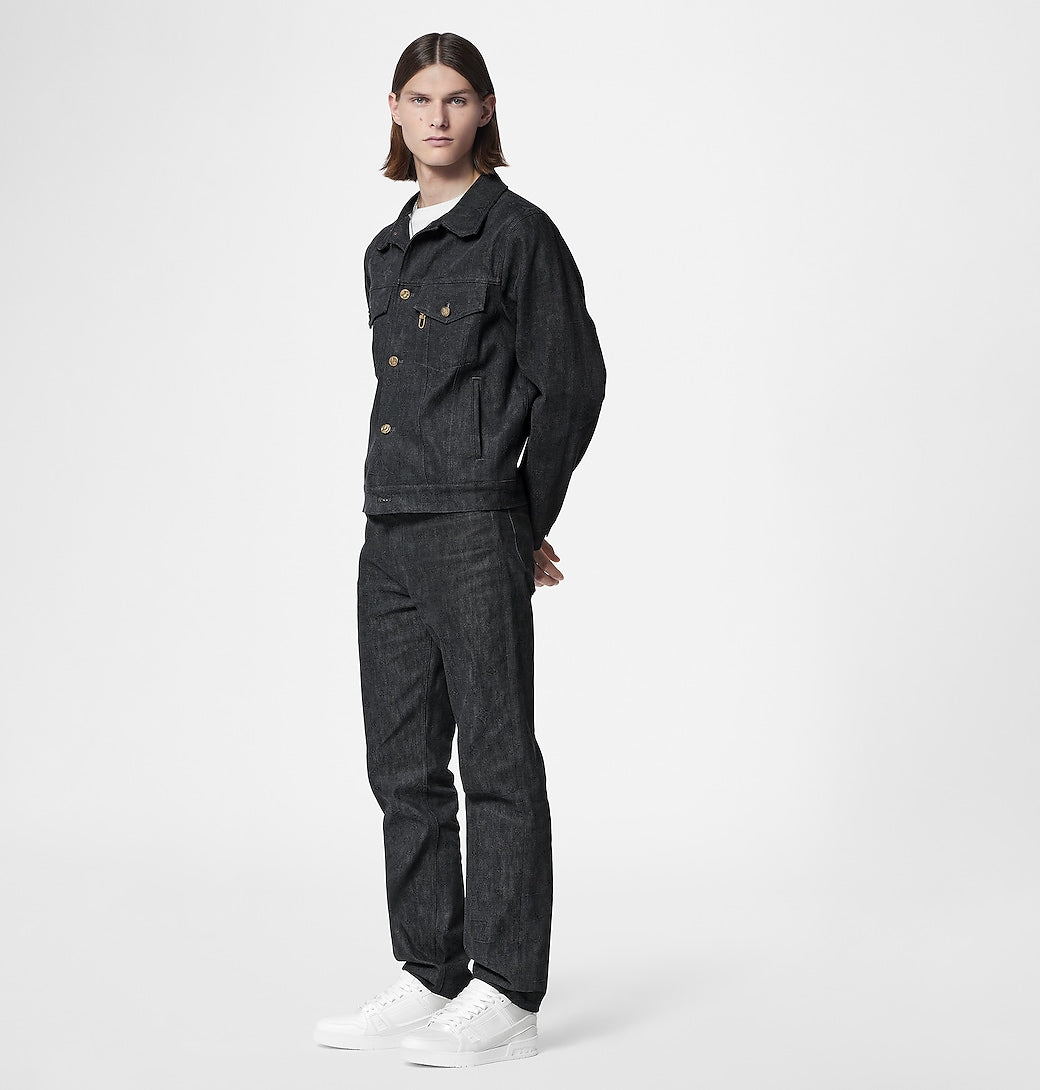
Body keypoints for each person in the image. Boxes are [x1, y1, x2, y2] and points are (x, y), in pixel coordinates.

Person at [313, 31, 606, 1068]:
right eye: (420, 98)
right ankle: (431, 967)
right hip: (387, 526)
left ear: (485, 111)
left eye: (458, 98)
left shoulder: (516, 235)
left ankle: (508, 992)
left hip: (473, 525)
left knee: (494, 756)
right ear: (395, 110)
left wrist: (522, 513)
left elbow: (572, 380)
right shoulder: (385, 250)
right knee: (401, 764)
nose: (438, 117)